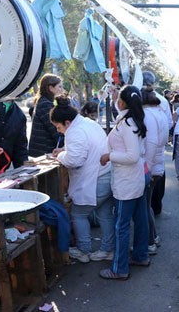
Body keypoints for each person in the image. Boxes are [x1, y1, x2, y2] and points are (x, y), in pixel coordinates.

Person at [50, 95, 115, 263]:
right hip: (106, 175)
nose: (58, 131)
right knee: (105, 214)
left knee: (78, 214)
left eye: (58, 127)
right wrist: (65, 150)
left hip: (95, 180)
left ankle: (83, 250)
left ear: (66, 122)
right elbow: (85, 147)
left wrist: (61, 156)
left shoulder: (75, 131)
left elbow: (75, 160)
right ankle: (108, 249)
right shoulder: (87, 123)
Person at [99, 85, 150, 280]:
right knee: (141, 219)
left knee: (121, 225)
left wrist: (109, 156)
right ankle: (140, 256)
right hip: (134, 179)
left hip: (127, 182)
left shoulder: (127, 123)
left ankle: (119, 268)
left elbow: (132, 156)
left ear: (122, 102)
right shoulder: (133, 119)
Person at [140, 71, 173, 215]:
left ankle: (153, 213)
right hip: (158, 148)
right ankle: (156, 207)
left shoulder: (146, 103)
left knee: (149, 187)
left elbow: (152, 140)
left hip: (149, 152)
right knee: (157, 179)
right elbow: (169, 123)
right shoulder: (162, 101)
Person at [140, 89, 167, 253]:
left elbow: (151, 142)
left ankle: (149, 241)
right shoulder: (159, 112)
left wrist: (146, 169)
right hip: (158, 163)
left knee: (144, 206)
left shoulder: (148, 115)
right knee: (147, 205)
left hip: (151, 165)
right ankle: (153, 237)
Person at [28, 74, 64, 156]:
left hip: (43, 151)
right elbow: (55, 130)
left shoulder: (44, 102)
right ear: (51, 88)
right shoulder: (45, 105)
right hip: (43, 152)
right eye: (60, 87)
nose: (62, 90)